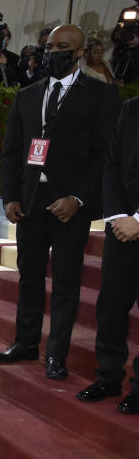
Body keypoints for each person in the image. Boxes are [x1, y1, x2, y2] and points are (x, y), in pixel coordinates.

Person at [0, 25, 121, 379]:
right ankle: (26, 342)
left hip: (70, 205)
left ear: (80, 52)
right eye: (50, 46)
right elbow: (11, 152)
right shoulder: (28, 95)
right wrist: (10, 196)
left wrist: (78, 198)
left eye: (63, 47)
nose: (53, 52)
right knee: (29, 277)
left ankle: (56, 354)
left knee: (65, 282)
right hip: (31, 201)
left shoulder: (101, 95)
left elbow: (104, 156)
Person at [76, 98, 139, 414]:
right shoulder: (131, 109)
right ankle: (108, 376)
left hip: (135, 222)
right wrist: (117, 214)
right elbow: (112, 163)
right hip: (120, 227)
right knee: (111, 304)